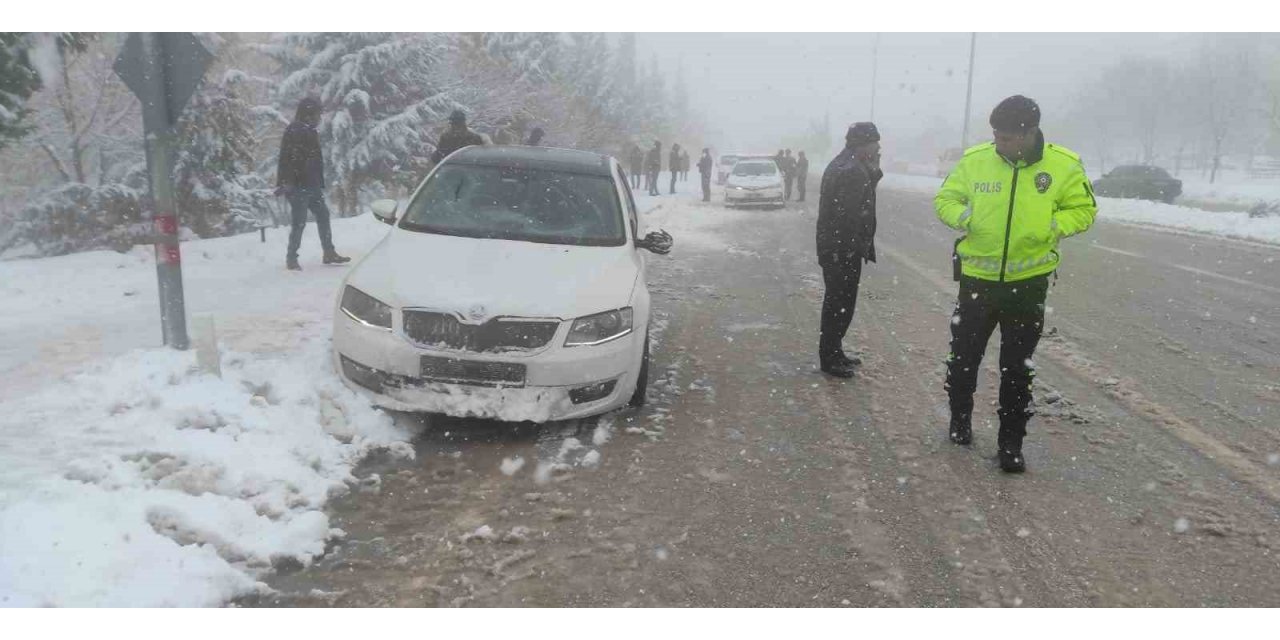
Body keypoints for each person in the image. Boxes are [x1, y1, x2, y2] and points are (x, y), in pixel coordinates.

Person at [935, 95, 1098, 473]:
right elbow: (945, 198)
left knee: (1017, 368)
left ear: (1029, 134)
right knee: (963, 358)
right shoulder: (976, 160)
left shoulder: (1064, 165)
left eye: (1006, 137)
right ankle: (960, 420)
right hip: (977, 282)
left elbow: (1085, 209)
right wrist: (965, 216)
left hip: (1027, 286)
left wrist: (1054, 226)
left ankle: (1011, 443)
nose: (998, 143)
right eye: (995, 135)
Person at [816, 123, 883, 378]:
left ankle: (834, 352)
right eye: (875, 143)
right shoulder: (852, 170)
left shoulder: (847, 164)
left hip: (837, 249)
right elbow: (848, 217)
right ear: (863, 144)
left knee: (839, 303)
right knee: (839, 304)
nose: (878, 148)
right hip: (842, 251)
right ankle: (830, 358)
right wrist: (851, 249)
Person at [276, 96, 349, 271]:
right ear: (309, 114)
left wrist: (317, 181)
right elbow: (287, 159)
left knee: (323, 215)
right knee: (299, 222)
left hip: (311, 185)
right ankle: (291, 258)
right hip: (299, 186)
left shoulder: (309, 130)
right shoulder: (295, 130)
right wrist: (287, 183)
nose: (319, 118)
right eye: (317, 114)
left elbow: (313, 160)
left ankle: (329, 252)